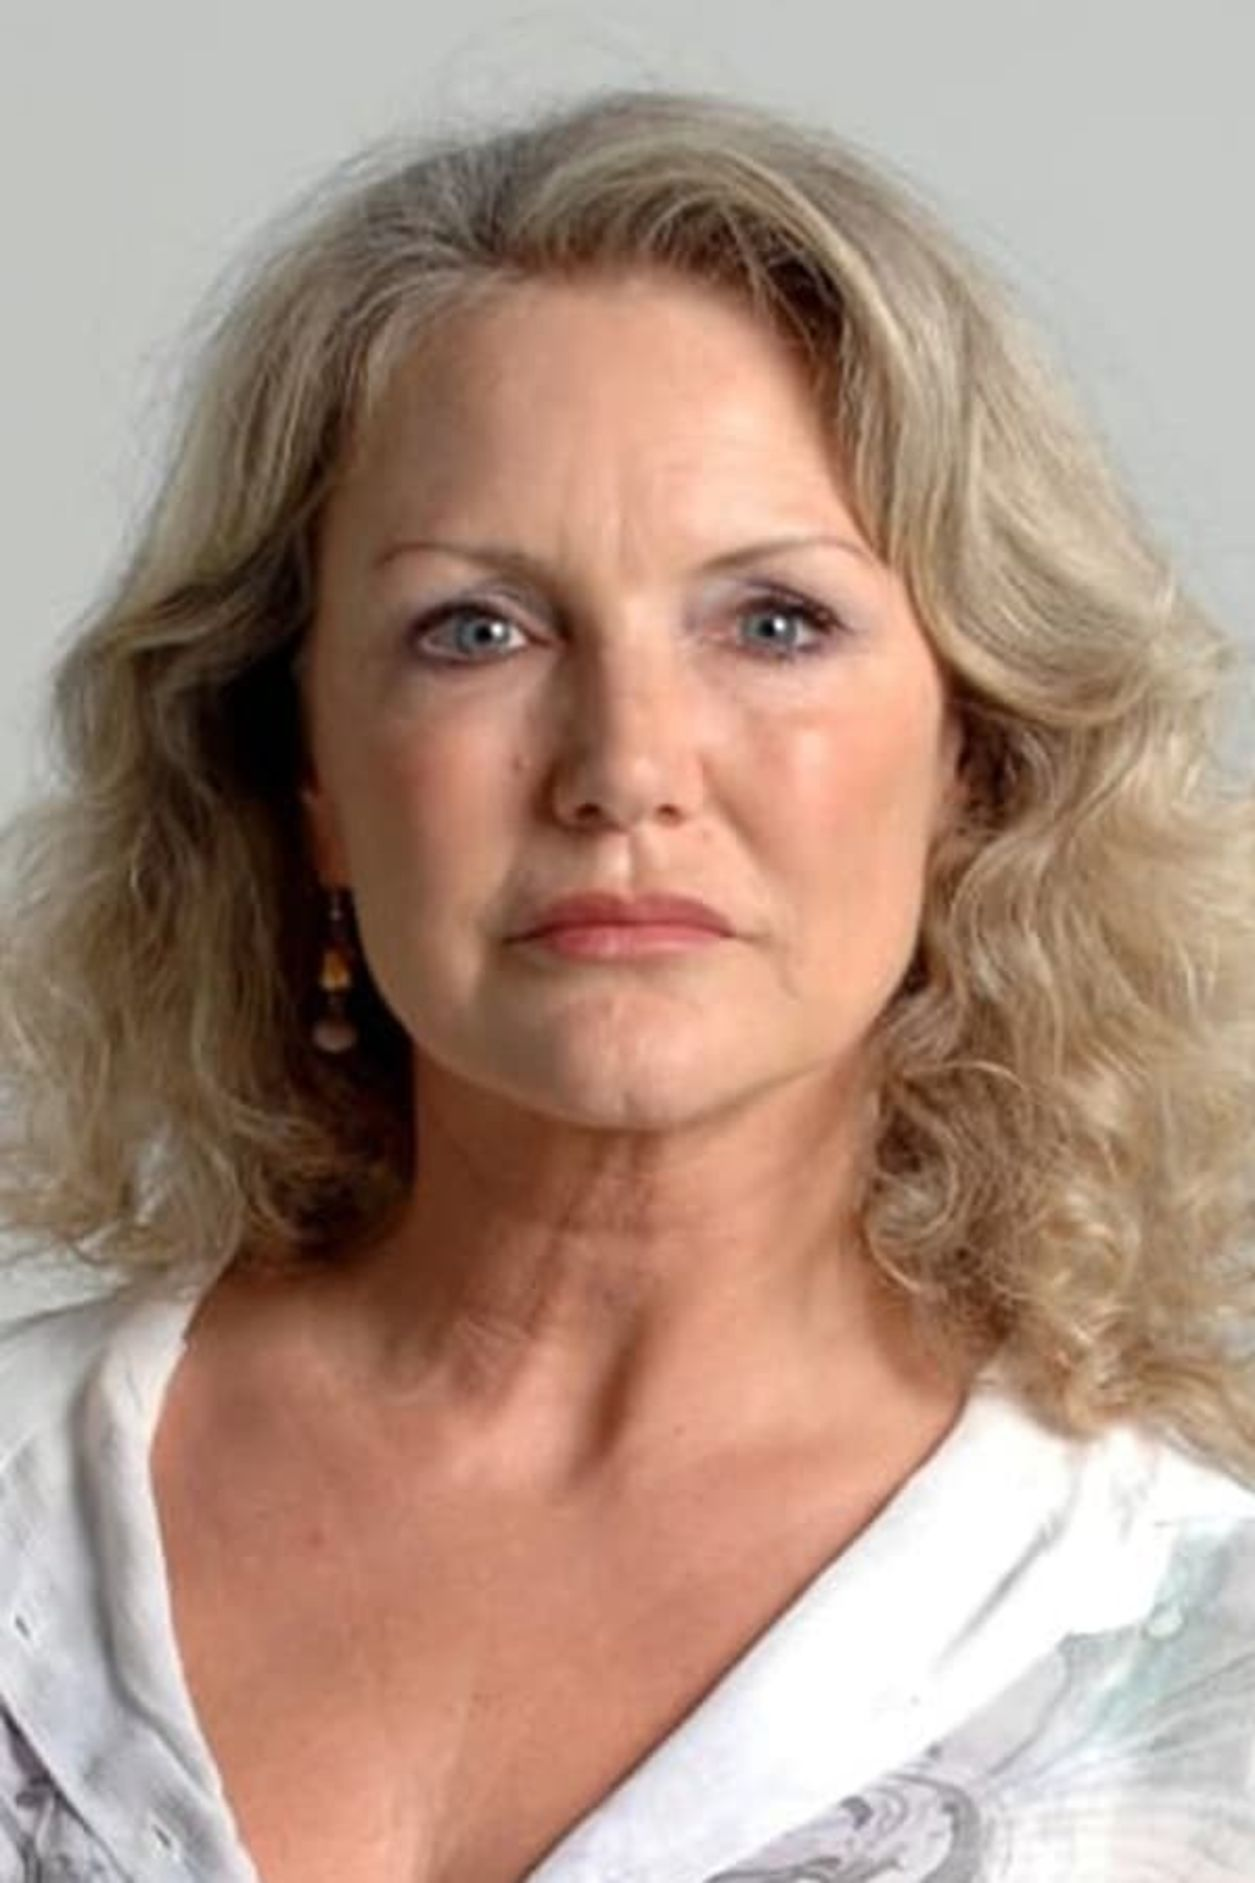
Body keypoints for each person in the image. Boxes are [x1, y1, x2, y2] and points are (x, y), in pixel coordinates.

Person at [0, 85, 1252, 1883]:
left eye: (773, 622)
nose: (626, 768)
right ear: (310, 777)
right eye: (477, 629)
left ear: (972, 762)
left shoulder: (1193, 1658)